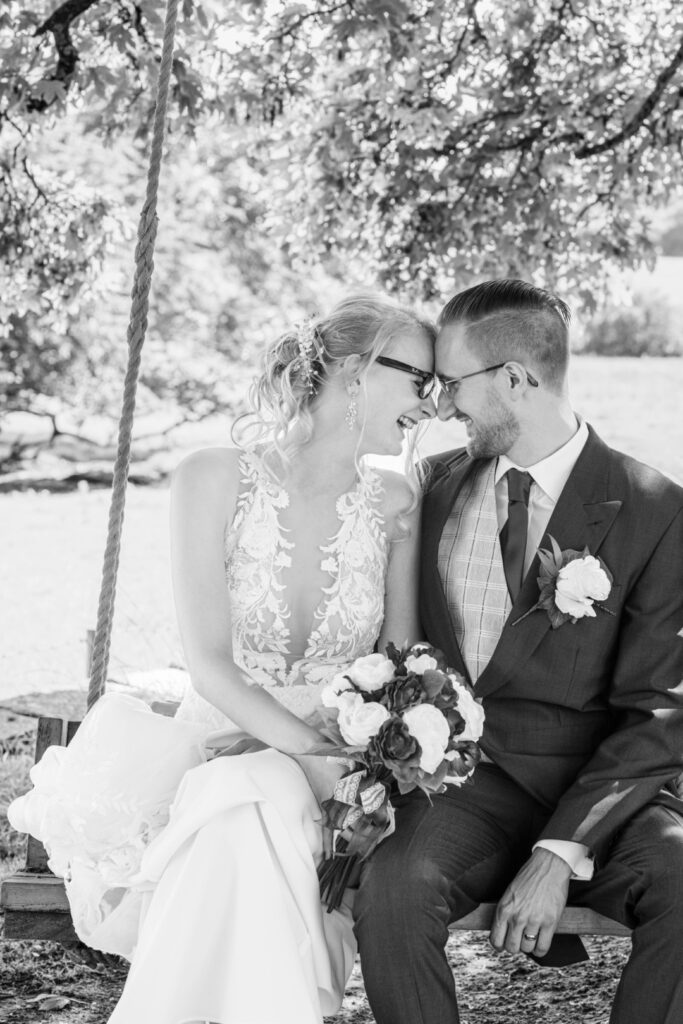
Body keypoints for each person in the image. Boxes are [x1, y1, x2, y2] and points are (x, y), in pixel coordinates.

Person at [8, 294, 437, 1024]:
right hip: (218, 740)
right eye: (419, 382)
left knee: (240, 802)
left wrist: (348, 762)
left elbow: (399, 659)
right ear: (353, 371)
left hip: (334, 768)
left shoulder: (397, 498)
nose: (428, 407)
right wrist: (307, 750)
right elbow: (208, 664)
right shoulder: (212, 477)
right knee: (240, 791)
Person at [354, 279, 683, 1024]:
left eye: (450, 384)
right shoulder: (434, 485)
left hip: (610, 795)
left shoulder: (655, 509)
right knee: (393, 886)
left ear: (512, 379)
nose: (438, 406)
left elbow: (658, 711)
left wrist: (559, 849)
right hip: (470, 787)